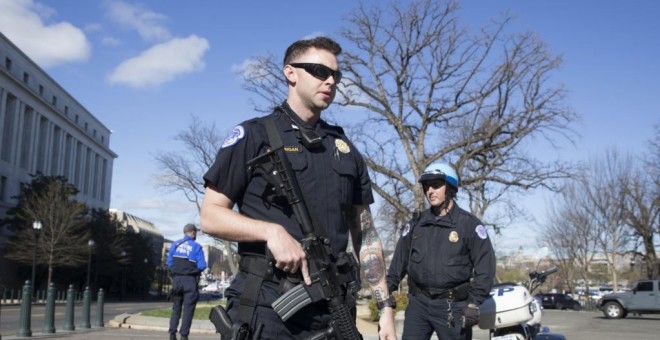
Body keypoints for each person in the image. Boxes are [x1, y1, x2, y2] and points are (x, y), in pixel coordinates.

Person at [200, 36, 396, 339]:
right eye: (319, 71)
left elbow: (365, 232)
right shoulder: (254, 136)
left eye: (336, 75)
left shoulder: (344, 148)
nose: (330, 80)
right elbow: (210, 215)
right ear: (290, 72)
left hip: (333, 307)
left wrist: (385, 306)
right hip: (268, 304)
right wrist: (270, 232)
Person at [386, 162, 496, 340]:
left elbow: (486, 269)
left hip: (453, 306)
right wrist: (386, 292)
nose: (430, 191)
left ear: (451, 188)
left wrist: (474, 303)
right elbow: (399, 263)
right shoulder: (415, 224)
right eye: (427, 186)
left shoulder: (469, 225)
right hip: (418, 305)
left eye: (436, 185)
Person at [167, 223, 207, 340]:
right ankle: (184, 336)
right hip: (190, 281)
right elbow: (202, 265)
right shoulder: (196, 247)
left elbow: (169, 263)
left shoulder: (175, 244)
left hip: (177, 280)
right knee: (188, 309)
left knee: (176, 308)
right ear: (193, 233)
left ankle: (172, 333)